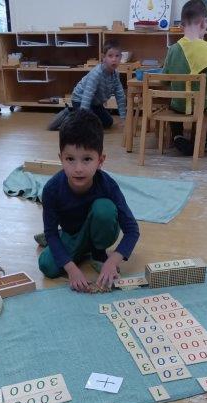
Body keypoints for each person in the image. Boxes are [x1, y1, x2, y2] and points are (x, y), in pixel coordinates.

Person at [37, 109, 139, 292]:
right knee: (47, 265)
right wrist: (71, 269)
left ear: (100, 160)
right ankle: (74, 244)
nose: (78, 168)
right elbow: (50, 233)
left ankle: (97, 252)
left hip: (98, 231)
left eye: (87, 159)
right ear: (60, 158)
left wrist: (113, 260)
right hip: (72, 234)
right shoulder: (51, 190)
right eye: (70, 159)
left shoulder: (108, 185)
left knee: (104, 209)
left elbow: (132, 230)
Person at [162, 0, 207, 155]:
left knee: (173, 98)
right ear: (205, 22)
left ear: (181, 25)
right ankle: (201, 141)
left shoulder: (172, 49)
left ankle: (178, 136)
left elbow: (165, 79)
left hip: (178, 105)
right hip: (200, 105)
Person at [48, 40, 126, 131]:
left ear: (121, 57)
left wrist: (123, 118)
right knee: (89, 126)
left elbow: (120, 96)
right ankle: (70, 115)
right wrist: (83, 120)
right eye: (110, 56)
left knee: (108, 122)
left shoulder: (116, 74)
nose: (114, 59)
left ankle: (78, 115)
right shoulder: (96, 74)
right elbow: (87, 96)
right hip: (80, 100)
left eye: (117, 56)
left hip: (95, 103)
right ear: (103, 57)